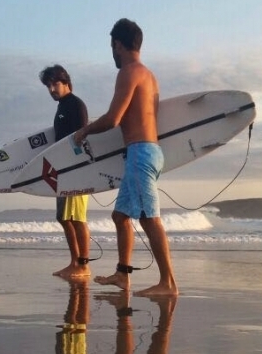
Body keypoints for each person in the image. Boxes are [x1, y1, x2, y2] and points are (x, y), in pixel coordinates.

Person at [74, 19, 178, 297]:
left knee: (149, 218)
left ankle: (168, 282)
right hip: (143, 152)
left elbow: (113, 119)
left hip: (141, 153)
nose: (112, 52)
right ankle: (122, 274)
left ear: (118, 44)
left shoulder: (129, 72)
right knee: (120, 216)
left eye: (112, 46)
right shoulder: (149, 75)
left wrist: (83, 132)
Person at [39, 65, 91, 279]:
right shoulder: (62, 106)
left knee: (75, 218)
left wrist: (75, 169)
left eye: (55, 84)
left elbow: (81, 138)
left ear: (66, 82)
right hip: (64, 171)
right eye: (48, 86)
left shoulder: (75, 105)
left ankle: (81, 265)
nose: (52, 89)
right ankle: (76, 262)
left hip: (75, 170)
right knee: (65, 217)